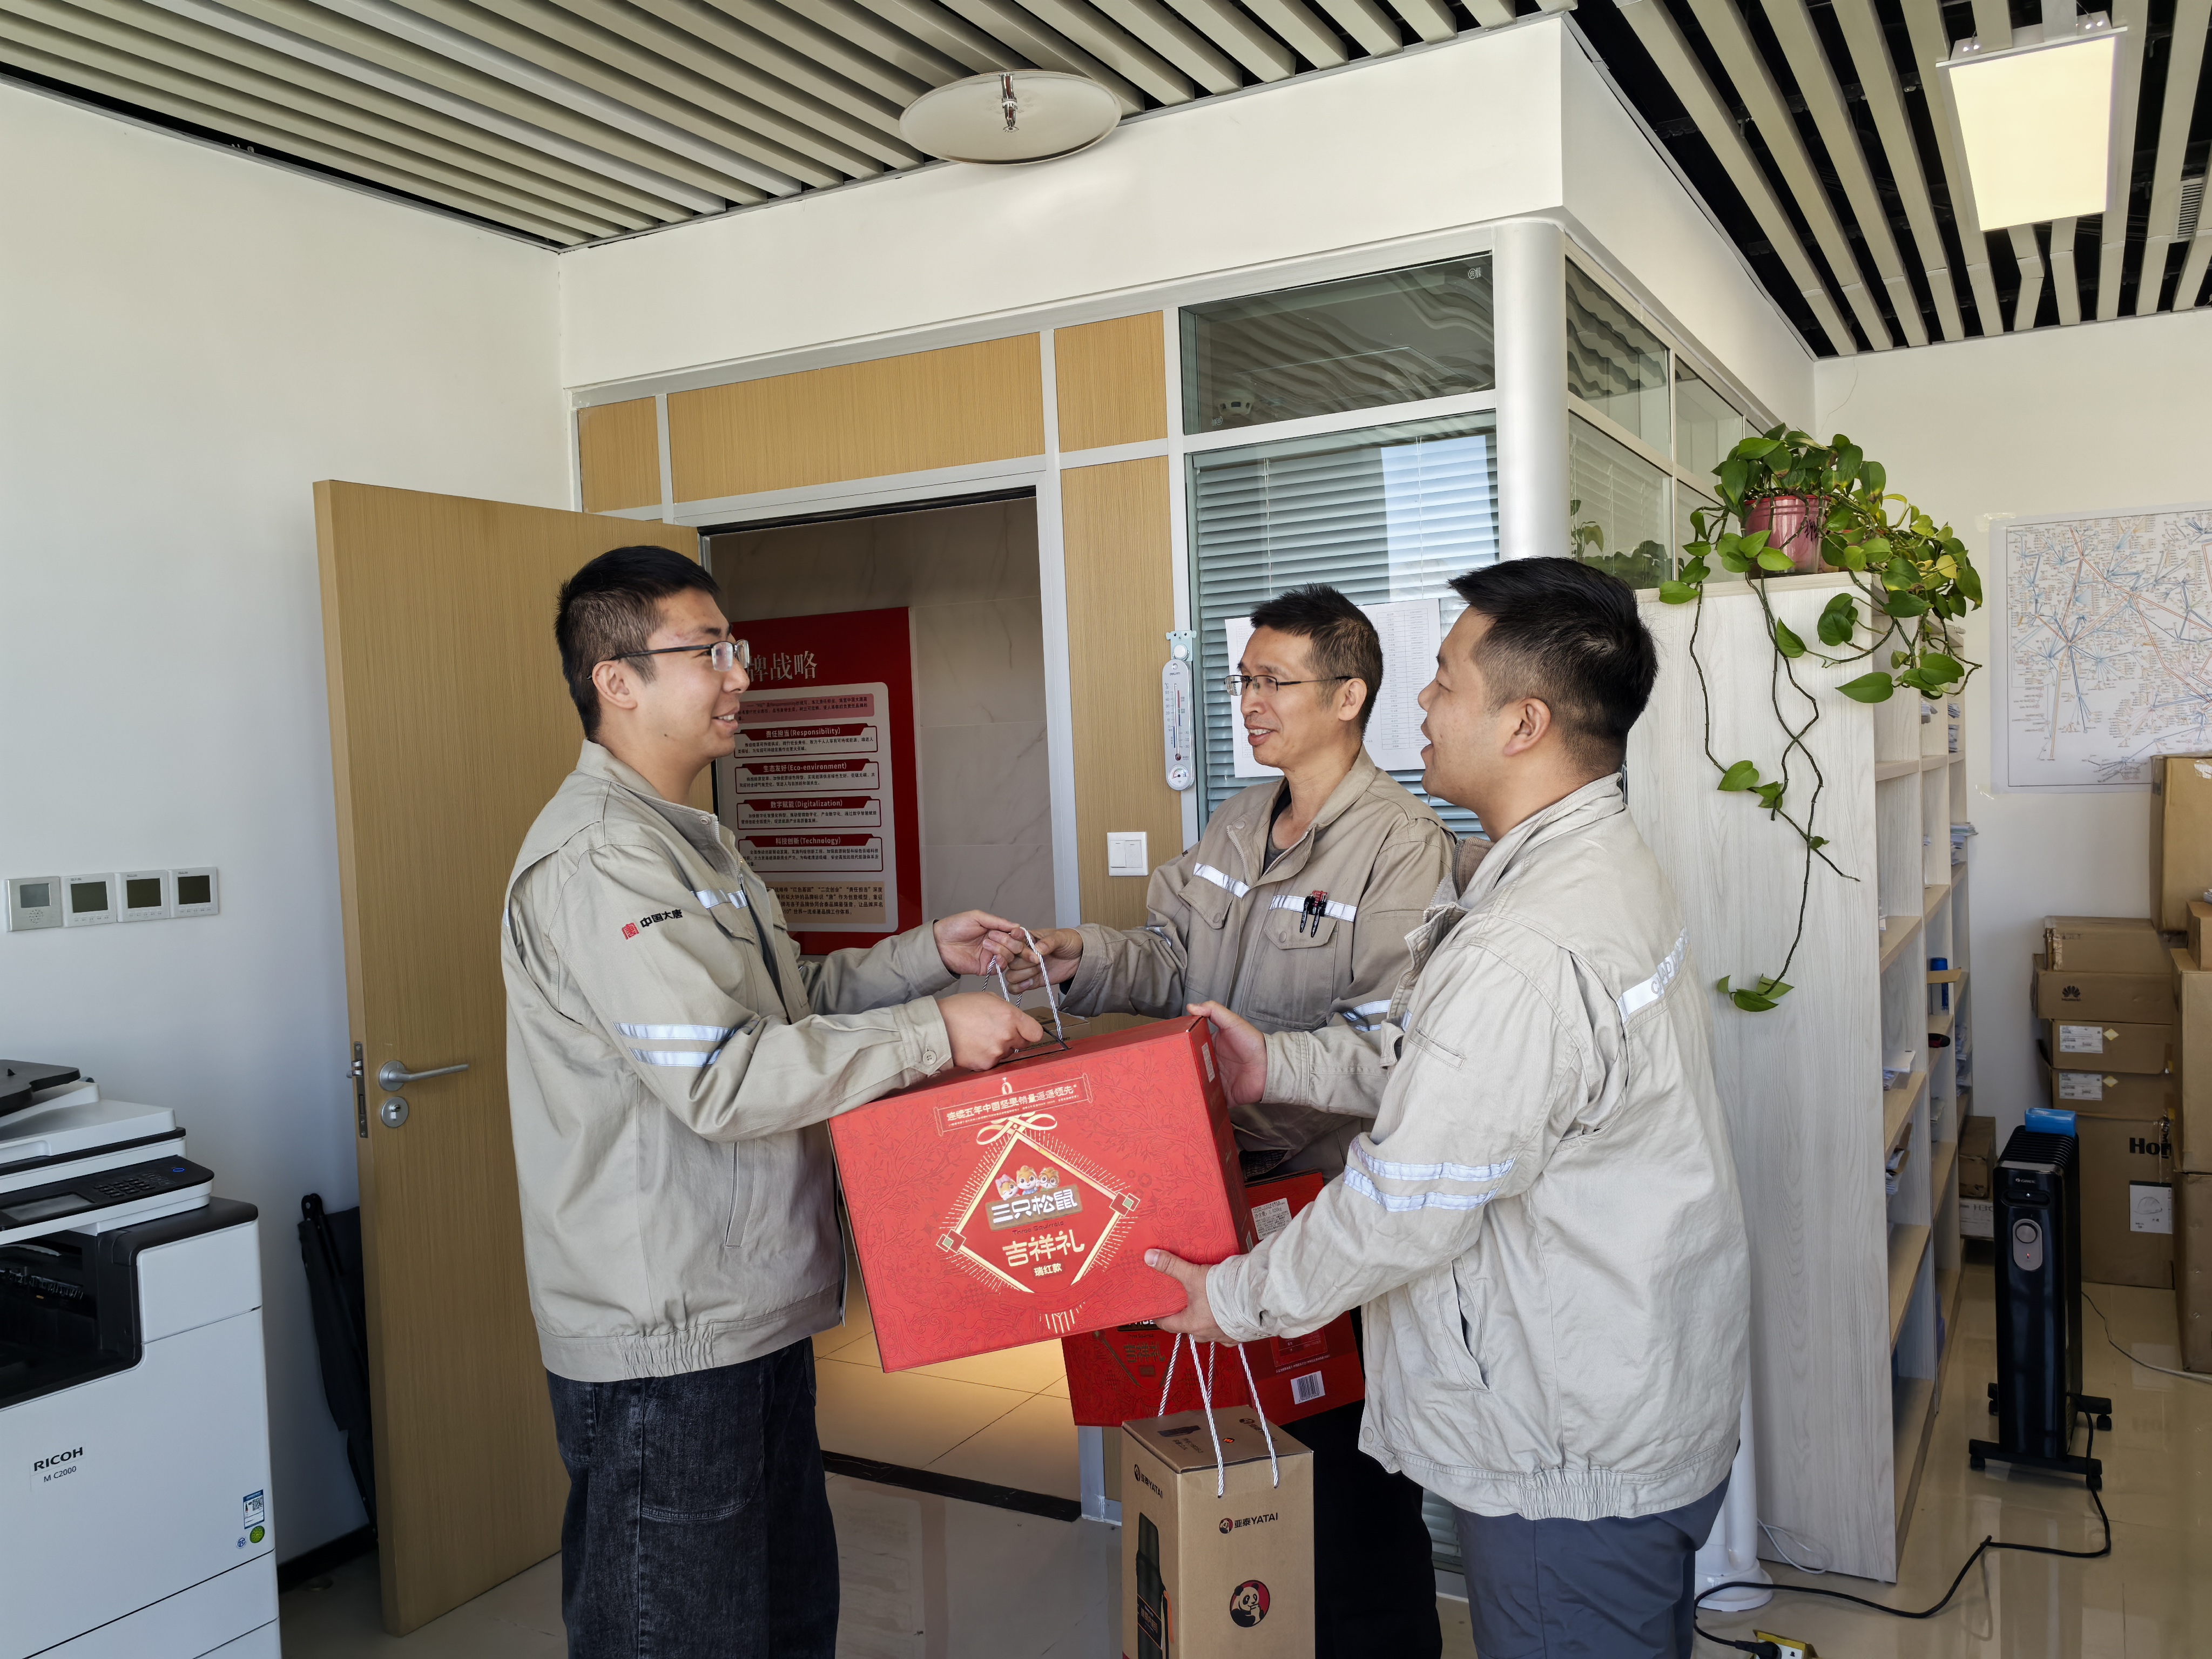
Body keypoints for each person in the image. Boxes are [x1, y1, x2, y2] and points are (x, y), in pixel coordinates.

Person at [1147, 557, 1751, 1658]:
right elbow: (1455, 1072)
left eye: (1442, 680)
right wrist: (1274, 1066)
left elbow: (1405, 1203)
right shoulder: (1585, 865)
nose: (1418, 703)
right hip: (1622, 1388)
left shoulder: (1524, 939)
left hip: (1567, 1440)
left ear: (1524, 723)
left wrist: (1226, 1298)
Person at [501, 546, 1048, 1658]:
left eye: (734, 647)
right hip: (668, 1339)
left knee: (786, 1622)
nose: (740, 674)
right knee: (681, 1635)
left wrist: (922, 961)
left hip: (747, 1307)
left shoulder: (691, 842)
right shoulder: (603, 861)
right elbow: (722, 1076)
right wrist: (931, 1035)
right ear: (617, 680)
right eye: (709, 651)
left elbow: (786, 1009)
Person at [1023, 584, 1453, 1659]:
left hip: (1325, 1211)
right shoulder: (1234, 822)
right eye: (1242, 680)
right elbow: (1171, 959)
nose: (1250, 702)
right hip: (1214, 1190)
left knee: (1346, 1484)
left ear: (1348, 696)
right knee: (1245, 1466)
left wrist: (1265, 1062)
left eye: (1274, 681)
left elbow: (1394, 1046)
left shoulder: (1401, 846)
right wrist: (1083, 958)